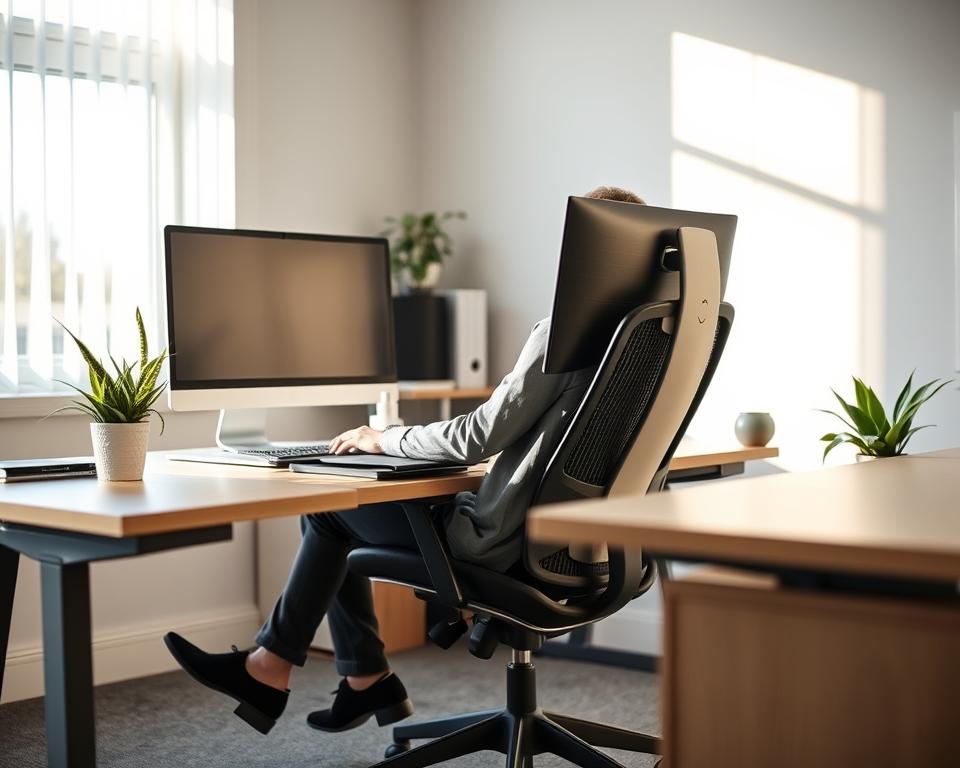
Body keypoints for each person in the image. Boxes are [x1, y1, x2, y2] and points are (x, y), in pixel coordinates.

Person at [163, 186, 647, 736]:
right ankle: (365, 681)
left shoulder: (567, 331)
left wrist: (384, 436)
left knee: (327, 511)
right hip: (587, 551)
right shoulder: (654, 342)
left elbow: (477, 437)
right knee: (336, 514)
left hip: (505, 545)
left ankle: (274, 670)